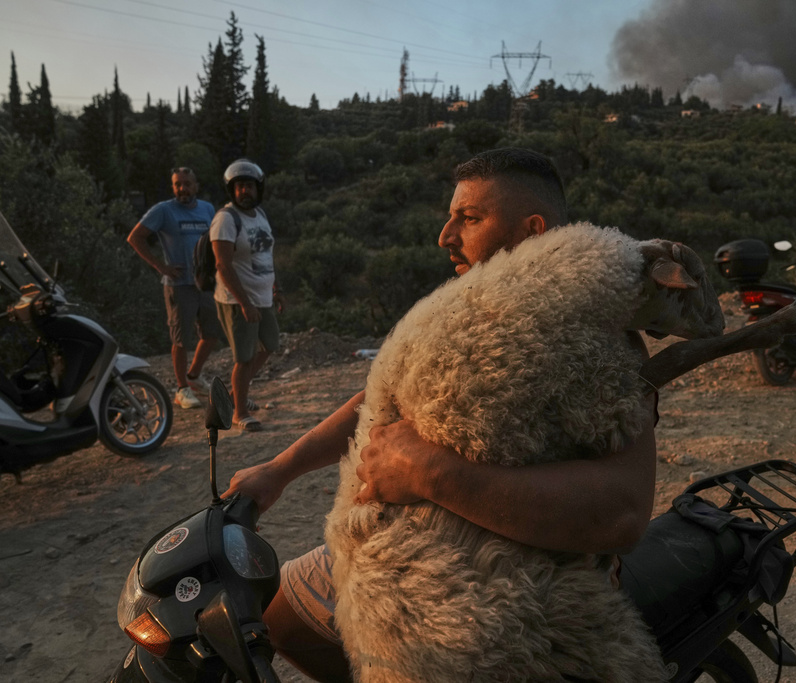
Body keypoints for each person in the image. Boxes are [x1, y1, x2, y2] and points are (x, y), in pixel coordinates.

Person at [224, 148, 657, 680]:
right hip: (386, 550)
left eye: (470, 219)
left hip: (497, 581)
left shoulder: (599, 338)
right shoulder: (459, 308)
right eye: (451, 216)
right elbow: (379, 395)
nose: (445, 236)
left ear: (532, 230)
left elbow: (624, 511)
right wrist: (281, 470)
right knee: (280, 622)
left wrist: (428, 474)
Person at [127, 167, 220, 409]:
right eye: (178, 184)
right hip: (178, 285)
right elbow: (135, 237)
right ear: (173, 187)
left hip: (205, 283)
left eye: (187, 184)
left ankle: (194, 376)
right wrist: (161, 266)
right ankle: (182, 390)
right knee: (181, 339)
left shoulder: (207, 209)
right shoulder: (163, 210)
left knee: (211, 334)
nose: (182, 189)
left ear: (196, 185)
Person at [211, 159, 286, 432]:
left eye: (250, 186)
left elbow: (266, 255)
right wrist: (244, 303)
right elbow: (223, 264)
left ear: (258, 189)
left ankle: (234, 395)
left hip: (263, 295)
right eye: (240, 186)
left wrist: (276, 289)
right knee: (244, 358)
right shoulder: (225, 219)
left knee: (270, 344)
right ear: (232, 190)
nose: (245, 191)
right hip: (237, 300)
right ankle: (238, 412)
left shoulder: (260, 215)